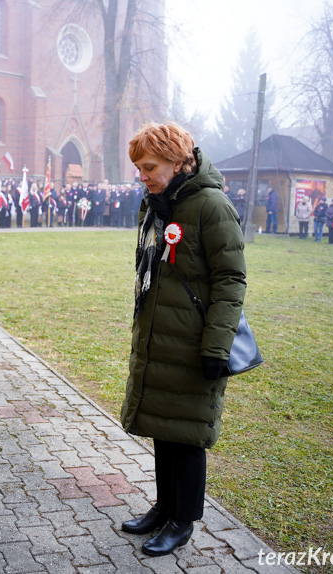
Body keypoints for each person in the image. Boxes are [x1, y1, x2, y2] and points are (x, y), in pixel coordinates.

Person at [119, 122, 246, 557]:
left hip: (196, 342)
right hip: (161, 336)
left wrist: (216, 346)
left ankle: (183, 520)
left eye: (150, 167)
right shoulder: (158, 203)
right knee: (163, 427)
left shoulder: (212, 205)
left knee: (186, 435)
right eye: (139, 168)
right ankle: (163, 506)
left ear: (178, 160)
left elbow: (231, 280)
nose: (143, 176)